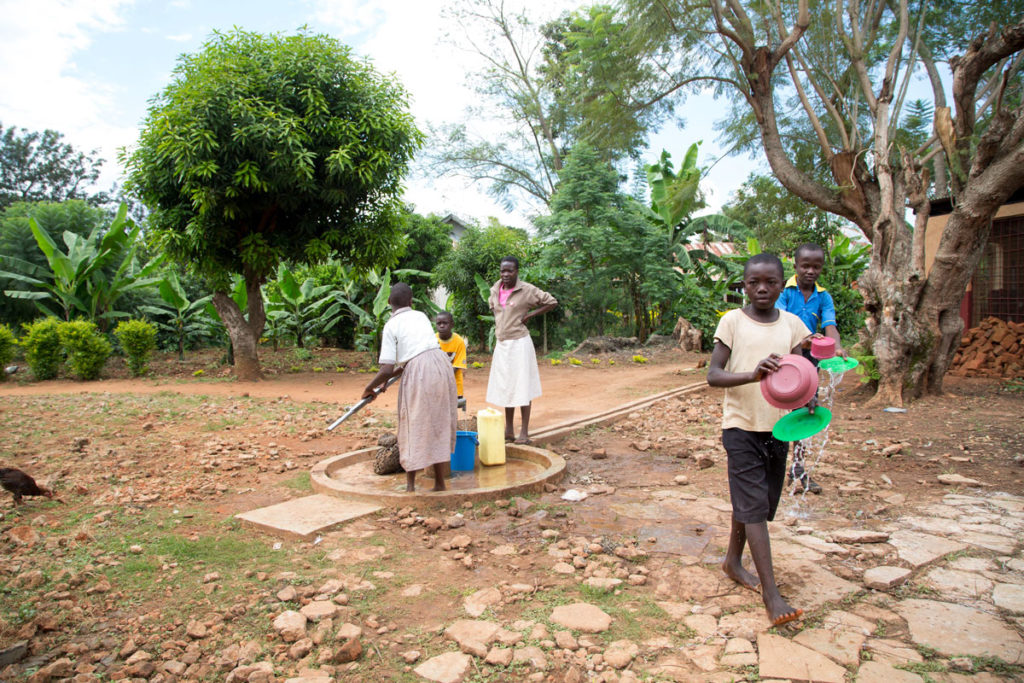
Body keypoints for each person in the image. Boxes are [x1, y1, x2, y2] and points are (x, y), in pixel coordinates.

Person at [707, 252, 813, 627]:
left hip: (780, 428)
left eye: (770, 282)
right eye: (754, 282)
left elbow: (801, 374)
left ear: (781, 284)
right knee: (753, 506)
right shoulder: (732, 321)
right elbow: (714, 375)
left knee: (761, 504)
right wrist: (752, 375)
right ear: (745, 284)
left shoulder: (793, 325)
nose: (762, 289)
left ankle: (733, 562)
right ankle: (772, 594)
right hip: (739, 427)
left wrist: (809, 402)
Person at [361, 283, 457, 492]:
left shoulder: (391, 326)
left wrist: (369, 387)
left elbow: (387, 368)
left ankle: (410, 486)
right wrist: (392, 375)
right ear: (411, 302)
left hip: (419, 372)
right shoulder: (421, 316)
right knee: (438, 422)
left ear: (388, 303)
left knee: (411, 423)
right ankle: (439, 483)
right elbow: (416, 353)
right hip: (441, 365)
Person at [776, 242, 844, 494]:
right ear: (795, 266)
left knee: (806, 409)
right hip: (784, 358)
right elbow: (779, 322)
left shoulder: (823, 296)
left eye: (816, 267)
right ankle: (774, 464)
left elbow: (830, 325)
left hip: (809, 361)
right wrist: (800, 339)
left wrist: (835, 346)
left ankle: (798, 467)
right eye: (805, 266)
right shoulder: (784, 292)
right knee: (778, 409)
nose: (810, 271)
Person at [486, 256, 557, 444]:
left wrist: (531, 314)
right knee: (506, 387)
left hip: (519, 344)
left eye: (510, 270)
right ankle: (509, 431)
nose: (506, 274)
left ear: (517, 271)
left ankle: (524, 432)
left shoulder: (526, 290)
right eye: (503, 271)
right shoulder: (494, 290)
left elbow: (551, 301)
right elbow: (494, 309)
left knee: (523, 387)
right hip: (502, 345)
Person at [435, 311, 467, 400]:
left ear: (452, 324)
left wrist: (442, 376)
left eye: (445, 323)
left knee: (452, 409)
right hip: (436, 384)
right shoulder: (432, 340)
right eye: (439, 323)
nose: (441, 326)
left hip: (454, 384)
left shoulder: (459, 342)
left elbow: (457, 365)